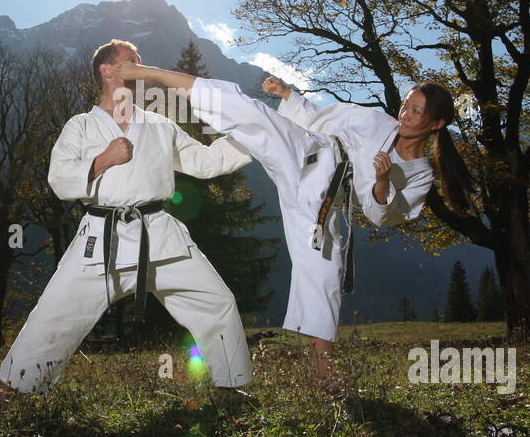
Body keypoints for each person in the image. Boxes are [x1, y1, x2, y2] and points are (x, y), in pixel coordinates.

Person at [111, 58, 475, 387]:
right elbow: (323, 118)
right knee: (248, 110)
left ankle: (322, 373)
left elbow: (383, 215)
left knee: (325, 274)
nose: (405, 114)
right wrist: (289, 95)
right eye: (406, 105)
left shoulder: (419, 173)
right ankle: (153, 73)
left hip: (322, 202)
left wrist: (381, 182)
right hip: (309, 151)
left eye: (416, 111)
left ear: (437, 123)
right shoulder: (379, 122)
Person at [0, 39, 256, 423]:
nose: (140, 69)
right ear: (107, 71)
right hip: (101, 237)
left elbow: (206, 161)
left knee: (217, 302)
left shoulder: (159, 124)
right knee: (54, 316)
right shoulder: (80, 126)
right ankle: (12, 398)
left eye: (141, 63)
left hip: (158, 233)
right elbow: (60, 182)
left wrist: (258, 134)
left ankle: (231, 390)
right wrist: (103, 160)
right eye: (131, 62)